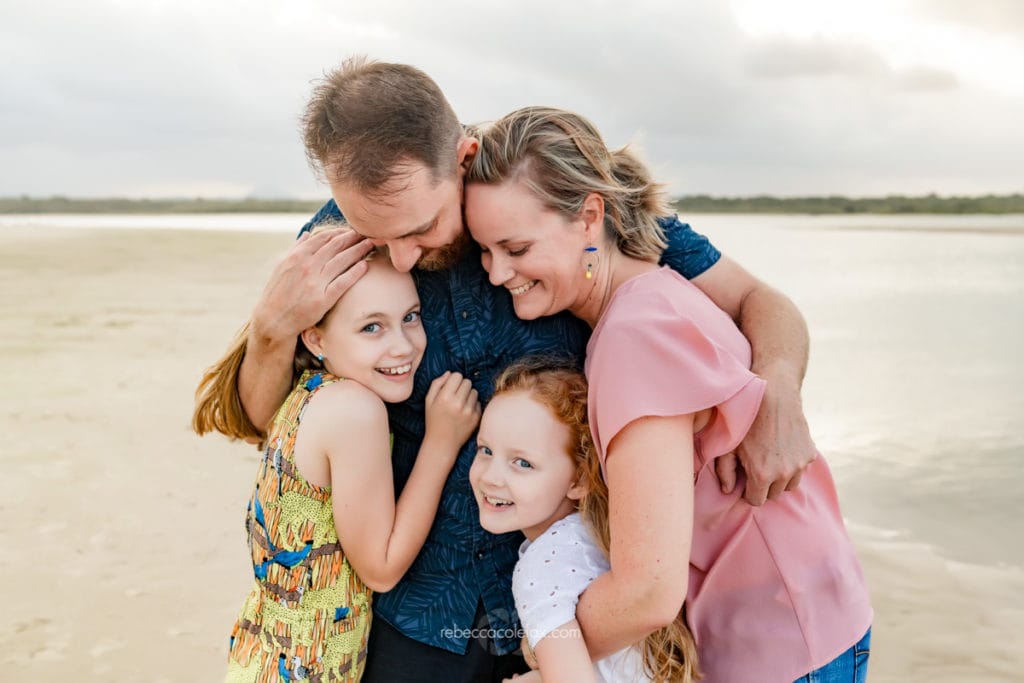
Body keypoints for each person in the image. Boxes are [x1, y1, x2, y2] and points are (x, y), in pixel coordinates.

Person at [208, 57, 817, 681]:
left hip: (565, 598)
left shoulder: (559, 209)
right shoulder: (338, 239)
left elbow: (759, 302)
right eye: (375, 232)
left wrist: (779, 397)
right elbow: (276, 424)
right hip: (412, 610)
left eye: (421, 228)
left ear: (463, 157)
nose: (398, 255)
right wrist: (270, 330)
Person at [463, 106, 873, 682]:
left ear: (589, 219)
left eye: (517, 248)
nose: (498, 272)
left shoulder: (633, 338)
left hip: (776, 642)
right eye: (485, 250)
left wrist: (545, 656)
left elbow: (648, 593)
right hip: (815, 613)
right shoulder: (657, 293)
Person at [193, 241, 481, 682]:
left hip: (263, 658)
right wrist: (441, 443)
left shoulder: (309, 392)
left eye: (411, 316)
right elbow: (381, 569)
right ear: (315, 338)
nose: (403, 345)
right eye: (372, 327)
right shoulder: (354, 411)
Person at [470, 356, 699, 683]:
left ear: (578, 480)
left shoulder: (540, 569)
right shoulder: (606, 535)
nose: (491, 477)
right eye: (486, 450)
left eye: (522, 463)